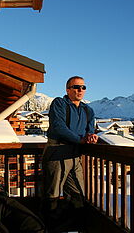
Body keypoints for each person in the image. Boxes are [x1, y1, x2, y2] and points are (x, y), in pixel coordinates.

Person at [41, 76, 98, 232]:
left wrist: (90, 136)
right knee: (52, 192)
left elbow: (90, 129)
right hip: (57, 151)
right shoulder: (59, 103)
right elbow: (58, 127)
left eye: (83, 87)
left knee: (77, 192)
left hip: (75, 155)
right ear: (68, 89)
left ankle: (74, 226)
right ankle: (49, 227)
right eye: (76, 87)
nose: (80, 90)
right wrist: (79, 140)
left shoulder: (88, 110)